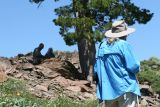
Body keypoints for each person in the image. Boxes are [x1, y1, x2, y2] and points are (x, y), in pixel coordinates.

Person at [94, 20, 141, 107]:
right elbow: (134, 66)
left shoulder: (101, 46)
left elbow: (96, 70)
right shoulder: (124, 45)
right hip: (126, 88)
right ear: (125, 34)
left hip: (108, 91)